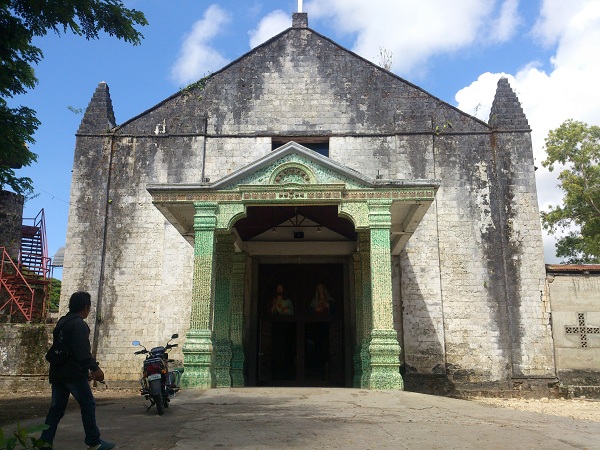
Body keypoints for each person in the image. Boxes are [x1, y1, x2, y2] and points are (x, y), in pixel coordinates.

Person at [40, 291, 115, 450]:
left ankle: (44, 443)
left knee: (56, 410)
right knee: (88, 405)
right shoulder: (79, 324)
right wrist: (95, 369)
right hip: (73, 374)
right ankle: (94, 442)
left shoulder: (62, 322)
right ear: (86, 307)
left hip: (58, 373)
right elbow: (82, 352)